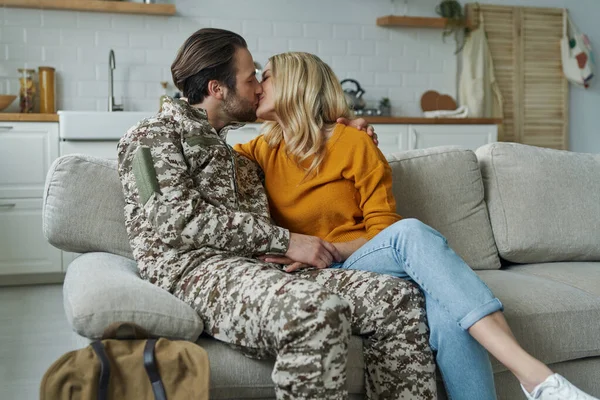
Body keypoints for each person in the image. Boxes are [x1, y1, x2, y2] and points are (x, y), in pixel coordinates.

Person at [235, 51, 599, 400]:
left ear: (298, 84)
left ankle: (537, 381)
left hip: (358, 259)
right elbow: (206, 138)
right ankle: (536, 377)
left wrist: (328, 249)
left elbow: (381, 228)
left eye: (266, 75)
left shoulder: (353, 143)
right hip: (311, 272)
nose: (259, 85)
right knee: (413, 237)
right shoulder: (261, 150)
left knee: (447, 311)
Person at [118, 28, 437, 399]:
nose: (258, 87)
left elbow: (299, 147)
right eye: (251, 77)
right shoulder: (151, 136)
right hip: (197, 273)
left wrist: (341, 128)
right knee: (316, 313)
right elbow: (177, 219)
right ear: (217, 88)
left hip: (262, 269)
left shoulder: (233, 153)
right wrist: (287, 240)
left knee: (398, 298)